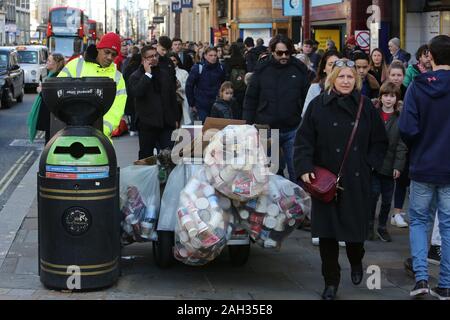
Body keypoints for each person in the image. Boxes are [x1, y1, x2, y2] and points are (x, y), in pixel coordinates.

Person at [294, 58, 388, 300]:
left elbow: (380, 141)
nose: (345, 81)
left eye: (350, 77)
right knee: (327, 236)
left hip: (356, 179)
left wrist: (369, 165)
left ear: (355, 80)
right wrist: (304, 167)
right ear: (332, 79)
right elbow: (304, 140)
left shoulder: (365, 106)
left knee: (355, 234)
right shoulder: (318, 105)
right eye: (341, 76)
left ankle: (356, 261)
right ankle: (331, 281)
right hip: (325, 181)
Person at [398, 35, 450, 300]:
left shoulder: (417, 86)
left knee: (419, 220)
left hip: (422, 163)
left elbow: (406, 127)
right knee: (449, 224)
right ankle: (446, 283)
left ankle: (421, 279)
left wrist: (420, 144)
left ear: (430, 55)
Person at [243, 34, 310, 182]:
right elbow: (251, 98)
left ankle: (298, 202)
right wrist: (247, 125)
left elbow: (308, 98)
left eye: (287, 52)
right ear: (272, 52)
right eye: (280, 53)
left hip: (293, 128)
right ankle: (274, 203)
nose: (284, 56)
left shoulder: (299, 69)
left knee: (296, 171)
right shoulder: (262, 69)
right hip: (268, 129)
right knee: (272, 173)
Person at [58, 33, 127, 138]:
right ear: (99, 48)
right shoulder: (76, 65)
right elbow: (58, 92)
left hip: (101, 137)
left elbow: (116, 108)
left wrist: (104, 130)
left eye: (113, 55)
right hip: (70, 132)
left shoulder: (117, 77)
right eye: (107, 52)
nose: (110, 57)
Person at [369, 82, 408, 242]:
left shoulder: (400, 118)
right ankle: (369, 225)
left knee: (386, 200)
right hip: (374, 165)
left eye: (392, 96)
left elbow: (401, 145)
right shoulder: (374, 114)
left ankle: (382, 227)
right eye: (385, 95)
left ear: (396, 99)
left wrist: (398, 166)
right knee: (372, 196)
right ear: (381, 97)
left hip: (390, 165)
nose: (388, 99)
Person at [128, 45, 180, 160]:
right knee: (146, 156)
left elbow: (172, 97)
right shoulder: (136, 76)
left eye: (156, 55)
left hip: (166, 123)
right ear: (143, 60)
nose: (154, 58)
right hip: (147, 124)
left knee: (169, 155)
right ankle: (146, 177)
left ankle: (166, 177)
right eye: (150, 56)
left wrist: (176, 118)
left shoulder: (164, 74)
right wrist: (147, 74)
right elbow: (137, 92)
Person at [30, 53, 65, 144]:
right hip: (49, 114)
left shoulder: (55, 77)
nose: (47, 62)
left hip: (51, 115)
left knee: (50, 139)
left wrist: (41, 91)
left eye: (49, 61)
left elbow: (52, 95)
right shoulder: (50, 75)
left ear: (56, 64)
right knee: (49, 137)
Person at [186, 47, 226, 123]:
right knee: (199, 129)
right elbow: (189, 86)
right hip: (201, 105)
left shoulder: (221, 68)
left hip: (216, 104)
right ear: (205, 56)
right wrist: (192, 104)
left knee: (215, 129)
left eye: (215, 55)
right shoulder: (198, 68)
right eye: (210, 55)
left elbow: (223, 84)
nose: (213, 57)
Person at [224, 43, 247, 119]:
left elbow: (227, 73)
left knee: (232, 106)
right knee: (241, 106)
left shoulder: (229, 60)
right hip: (242, 88)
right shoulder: (243, 60)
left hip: (232, 87)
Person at [169, 52, 191, 125]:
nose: (172, 62)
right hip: (168, 101)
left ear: (177, 61)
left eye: (174, 60)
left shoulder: (183, 72)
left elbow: (188, 86)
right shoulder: (164, 72)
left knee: (180, 121)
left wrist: (179, 86)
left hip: (180, 100)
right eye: (170, 60)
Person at [123, 53, 142, 136]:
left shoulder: (128, 68)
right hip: (137, 91)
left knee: (132, 112)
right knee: (136, 111)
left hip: (129, 92)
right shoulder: (139, 69)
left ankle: (132, 128)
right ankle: (135, 127)